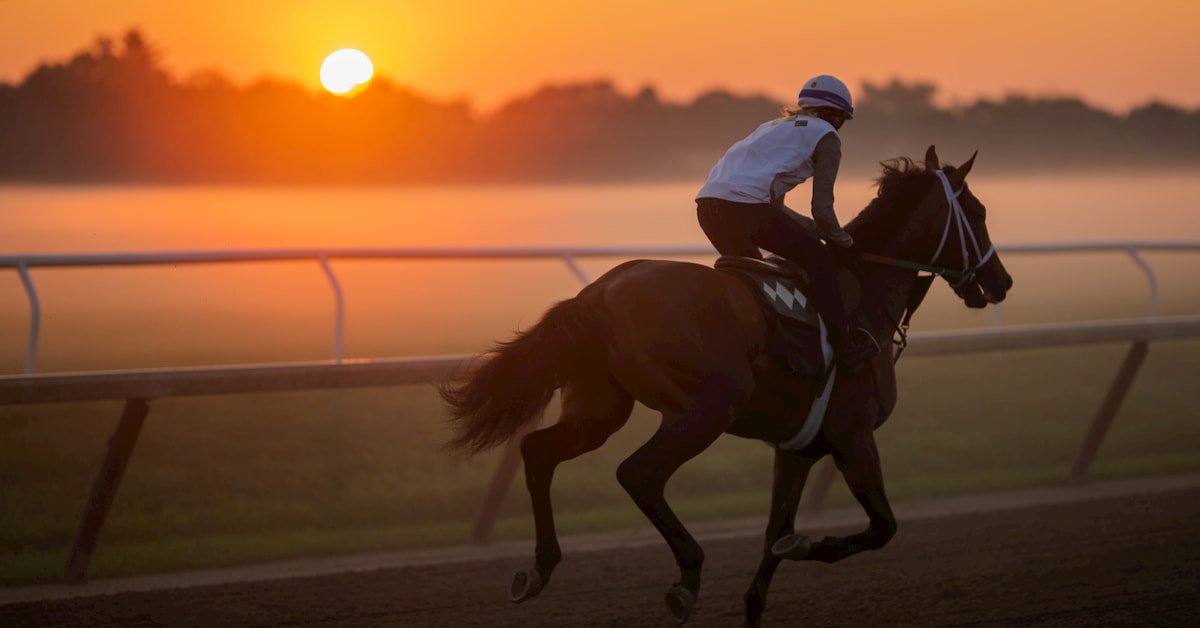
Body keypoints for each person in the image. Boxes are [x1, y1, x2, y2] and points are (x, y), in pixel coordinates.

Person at [695, 74, 880, 373]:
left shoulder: (771, 127)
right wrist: (843, 242)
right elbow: (822, 209)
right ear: (835, 114)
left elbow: (777, 210)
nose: (841, 124)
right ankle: (844, 347)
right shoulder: (827, 136)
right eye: (843, 118)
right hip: (746, 209)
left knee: (755, 282)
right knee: (819, 260)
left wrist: (812, 229)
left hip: (707, 207)